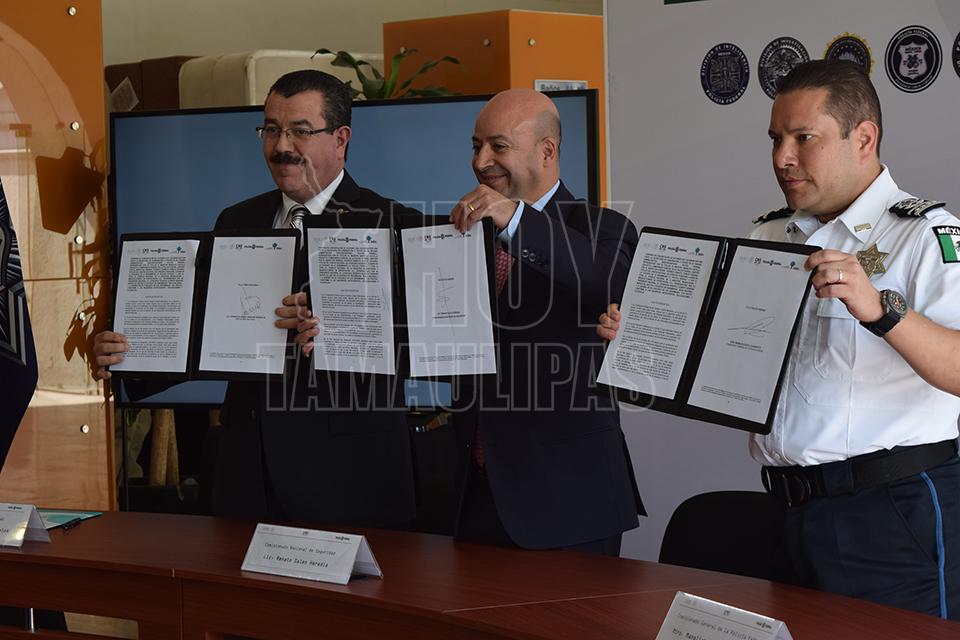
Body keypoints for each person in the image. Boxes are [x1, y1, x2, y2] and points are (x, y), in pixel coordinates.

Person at [598, 60, 960, 618]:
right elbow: (732, 355)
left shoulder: (925, 235)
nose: (782, 157)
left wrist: (881, 310)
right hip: (790, 508)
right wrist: (646, 338)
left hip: (892, 513)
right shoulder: (770, 232)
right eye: (775, 139)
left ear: (864, 138)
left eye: (803, 138)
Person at [93, 70, 417, 528]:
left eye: (300, 131)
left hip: (350, 475)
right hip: (246, 472)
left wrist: (339, 323)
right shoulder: (237, 218)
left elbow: (425, 341)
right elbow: (201, 328)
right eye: (271, 129)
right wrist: (125, 355)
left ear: (340, 139)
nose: (281, 146)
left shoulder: (393, 223)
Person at [444, 88, 644, 555]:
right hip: (472, 495)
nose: (481, 161)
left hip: (569, 500)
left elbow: (602, 282)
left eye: (498, 146)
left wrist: (515, 219)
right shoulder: (463, 236)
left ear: (547, 151)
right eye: (476, 146)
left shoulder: (604, 228)